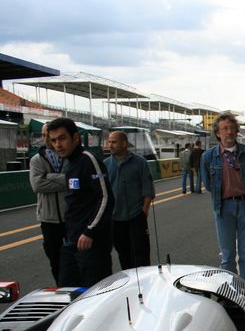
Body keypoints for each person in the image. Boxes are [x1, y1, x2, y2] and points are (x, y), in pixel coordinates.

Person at [48, 117, 114, 287]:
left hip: (92, 243)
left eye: (62, 138)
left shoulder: (88, 160)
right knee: (67, 291)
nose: (57, 145)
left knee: (94, 296)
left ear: (75, 138)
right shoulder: (70, 164)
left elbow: (106, 197)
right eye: (53, 140)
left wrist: (90, 231)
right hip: (72, 241)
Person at [200, 113, 245, 284]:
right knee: (227, 256)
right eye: (224, 129)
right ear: (218, 133)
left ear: (237, 131)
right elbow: (207, 184)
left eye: (232, 128)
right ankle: (232, 292)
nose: (229, 132)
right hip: (223, 208)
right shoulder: (208, 156)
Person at [105, 131, 155, 269]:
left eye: (114, 142)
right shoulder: (105, 164)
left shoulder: (140, 162)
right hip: (115, 219)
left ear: (124, 144)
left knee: (141, 255)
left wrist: (144, 211)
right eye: (109, 142)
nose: (110, 145)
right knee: (123, 255)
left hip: (136, 216)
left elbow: (148, 189)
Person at [28, 122, 66, 284]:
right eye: (43, 135)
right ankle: (61, 289)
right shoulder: (36, 160)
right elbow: (37, 185)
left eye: (48, 135)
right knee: (55, 260)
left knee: (77, 258)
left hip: (70, 216)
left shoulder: (68, 156)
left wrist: (49, 176)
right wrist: (64, 180)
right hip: (48, 219)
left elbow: (75, 181)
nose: (46, 139)